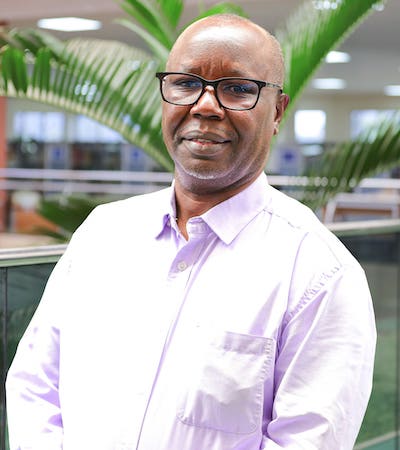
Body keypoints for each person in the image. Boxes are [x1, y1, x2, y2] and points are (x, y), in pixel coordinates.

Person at [6, 13, 376, 450]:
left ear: (277, 111)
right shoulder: (103, 233)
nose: (205, 105)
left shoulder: (319, 273)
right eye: (185, 83)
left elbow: (308, 441)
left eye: (238, 88)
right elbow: (35, 383)